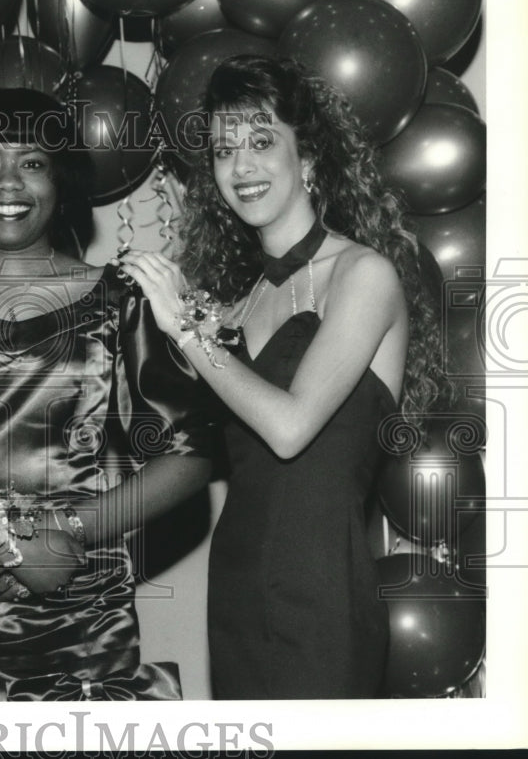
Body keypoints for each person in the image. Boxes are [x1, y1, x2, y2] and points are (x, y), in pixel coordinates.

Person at [0, 88, 217, 701]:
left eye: (31, 162)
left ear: (60, 181)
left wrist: (67, 536)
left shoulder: (122, 301)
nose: (8, 183)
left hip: (86, 605)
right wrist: (7, 546)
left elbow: (190, 453)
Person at [117, 55, 446, 699]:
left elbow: (291, 428)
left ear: (310, 158)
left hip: (322, 592)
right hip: (234, 586)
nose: (241, 168)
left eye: (263, 141)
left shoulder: (363, 275)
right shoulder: (231, 304)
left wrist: (186, 330)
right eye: (223, 150)